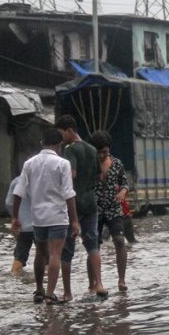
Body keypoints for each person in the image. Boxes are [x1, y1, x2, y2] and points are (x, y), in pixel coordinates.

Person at [12, 128, 80, 305]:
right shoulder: (62, 164)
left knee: (40, 254)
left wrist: (14, 217)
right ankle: (50, 294)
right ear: (59, 145)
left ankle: (39, 291)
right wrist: (74, 220)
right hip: (57, 216)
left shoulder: (29, 163)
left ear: (42, 143)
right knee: (55, 255)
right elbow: (68, 194)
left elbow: (18, 192)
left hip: (38, 218)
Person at [56, 115, 102, 299]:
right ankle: (98, 284)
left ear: (69, 130)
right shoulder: (92, 149)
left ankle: (67, 293)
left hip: (73, 203)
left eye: (61, 133)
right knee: (93, 243)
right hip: (91, 201)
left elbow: (72, 174)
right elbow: (100, 177)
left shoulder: (70, 150)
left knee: (67, 249)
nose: (61, 137)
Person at [91, 130, 130, 293]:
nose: (101, 155)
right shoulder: (89, 164)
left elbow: (125, 184)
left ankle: (121, 280)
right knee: (94, 246)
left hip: (114, 208)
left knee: (120, 240)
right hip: (95, 209)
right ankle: (93, 283)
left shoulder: (117, 164)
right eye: (98, 152)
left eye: (104, 152)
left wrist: (122, 191)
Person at [5, 172, 34, 275]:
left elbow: (9, 203)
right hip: (41, 224)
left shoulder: (16, 182)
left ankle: (15, 280)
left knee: (20, 256)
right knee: (46, 256)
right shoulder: (42, 180)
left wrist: (16, 217)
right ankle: (45, 282)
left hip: (23, 226)